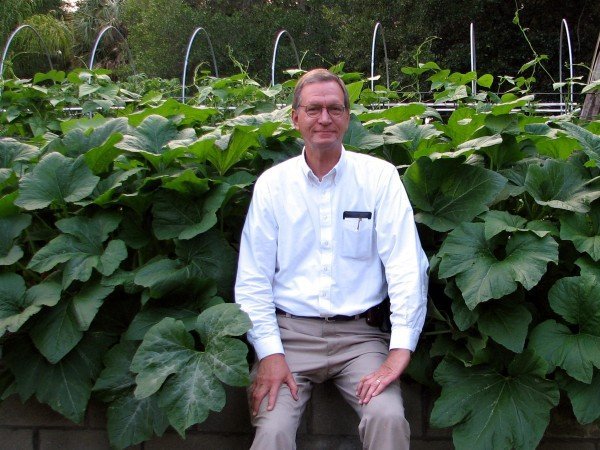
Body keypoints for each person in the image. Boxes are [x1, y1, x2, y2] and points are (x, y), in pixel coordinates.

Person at [235, 68, 429, 450]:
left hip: (360, 339)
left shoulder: (379, 178)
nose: (325, 118)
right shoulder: (273, 186)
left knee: (387, 418)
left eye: (335, 109)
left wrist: (399, 350)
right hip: (289, 336)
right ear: (295, 118)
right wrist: (269, 354)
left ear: (348, 116)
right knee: (272, 431)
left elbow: (407, 266)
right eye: (313, 109)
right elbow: (253, 279)